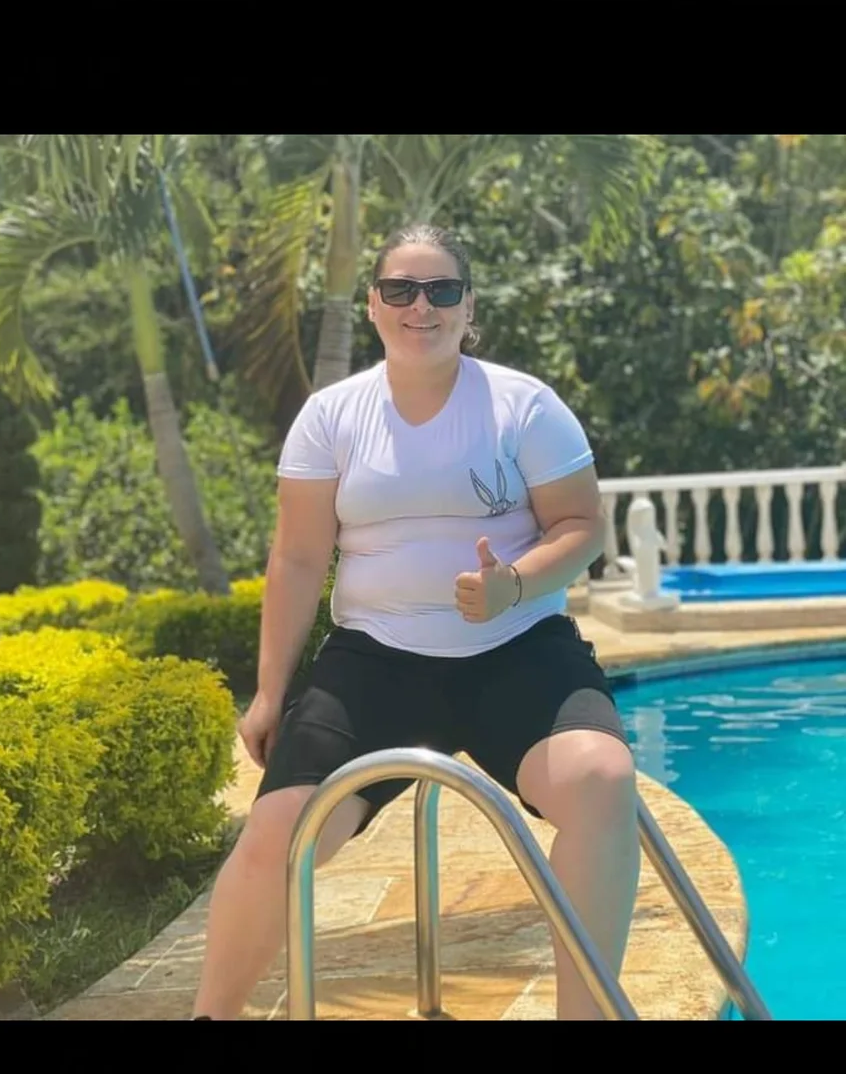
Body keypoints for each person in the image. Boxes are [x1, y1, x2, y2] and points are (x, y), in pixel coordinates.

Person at [191, 224, 640, 1021]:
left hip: (517, 650)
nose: (420, 306)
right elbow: (298, 558)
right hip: (375, 663)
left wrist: (514, 586)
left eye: (441, 290)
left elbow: (581, 526)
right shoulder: (332, 416)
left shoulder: (525, 406)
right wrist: (268, 693)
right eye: (400, 288)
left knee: (600, 780)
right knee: (278, 831)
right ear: (372, 304)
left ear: (469, 306)